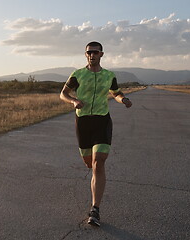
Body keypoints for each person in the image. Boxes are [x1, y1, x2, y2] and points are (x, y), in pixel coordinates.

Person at [60, 41, 132, 226]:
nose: (92, 55)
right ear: (86, 55)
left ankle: (95, 209)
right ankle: (93, 175)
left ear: (102, 54)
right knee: (88, 163)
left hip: (102, 120)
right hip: (83, 122)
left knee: (98, 162)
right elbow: (63, 94)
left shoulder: (109, 75)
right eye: (89, 52)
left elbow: (115, 92)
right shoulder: (78, 75)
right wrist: (73, 101)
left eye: (95, 52)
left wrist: (122, 99)